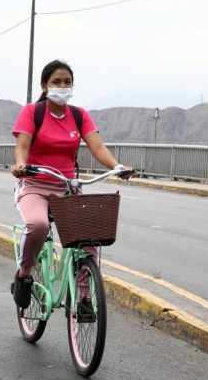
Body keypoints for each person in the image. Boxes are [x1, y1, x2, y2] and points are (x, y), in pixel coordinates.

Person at [10, 60, 133, 309]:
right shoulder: (32, 112)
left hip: (67, 187)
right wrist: (20, 165)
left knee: (88, 237)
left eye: (67, 82)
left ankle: (84, 297)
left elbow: (97, 146)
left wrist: (116, 167)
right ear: (45, 86)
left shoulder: (78, 116)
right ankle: (24, 275)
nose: (62, 86)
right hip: (34, 184)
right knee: (38, 224)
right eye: (56, 82)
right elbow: (22, 146)